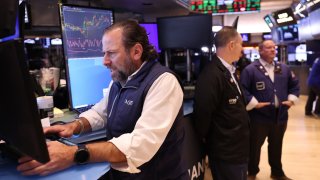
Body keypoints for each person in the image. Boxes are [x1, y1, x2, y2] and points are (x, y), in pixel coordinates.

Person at [17, 20, 188, 179]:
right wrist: (74, 126)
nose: (104, 61)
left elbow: (139, 145)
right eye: (104, 53)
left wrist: (73, 154)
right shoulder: (121, 80)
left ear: (136, 51)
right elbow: (101, 113)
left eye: (111, 53)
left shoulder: (163, 82)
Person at [193, 26, 250, 180]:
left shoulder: (229, 70)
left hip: (237, 149)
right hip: (226, 152)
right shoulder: (211, 75)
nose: (242, 50)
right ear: (231, 45)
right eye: (241, 45)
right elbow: (203, 114)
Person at [240, 40, 300, 180]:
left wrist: (291, 100)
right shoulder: (250, 69)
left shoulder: (283, 68)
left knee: (276, 145)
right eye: (269, 47)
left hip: (280, 116)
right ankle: (251, 172)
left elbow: (294, 85)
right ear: (260, 50)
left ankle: (277, 172)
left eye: (274, 47)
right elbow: (243, 90)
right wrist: (254, 104)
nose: (273, 50)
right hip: (258, 117)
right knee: (254, 146)